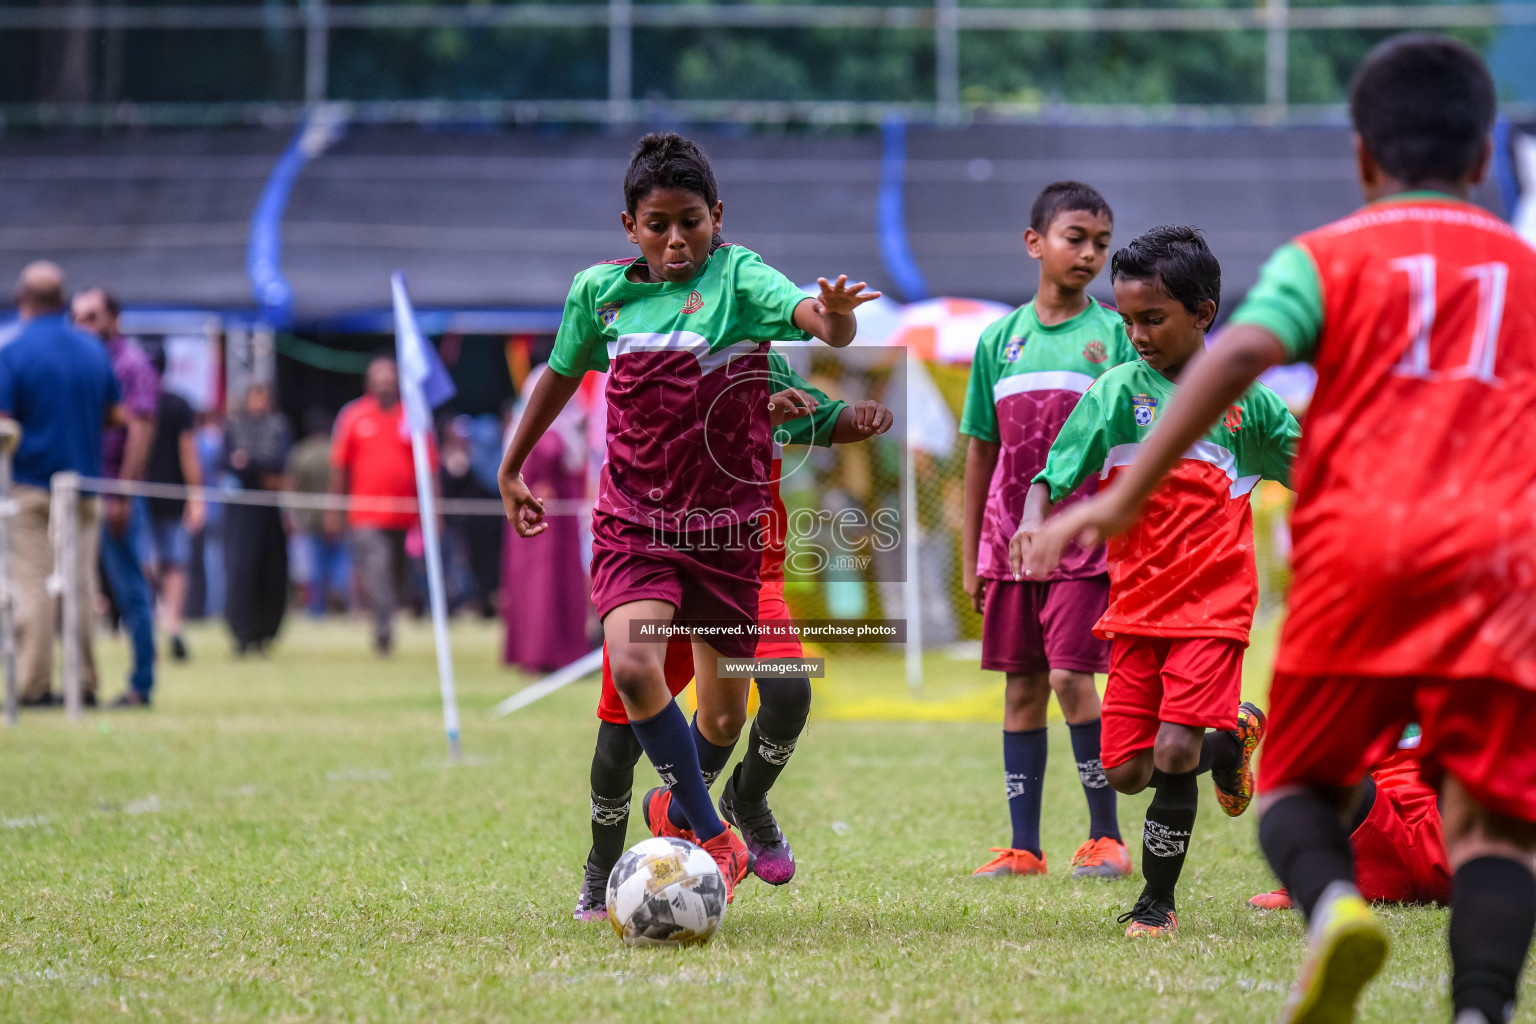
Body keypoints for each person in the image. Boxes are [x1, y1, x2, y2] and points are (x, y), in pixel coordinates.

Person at [1029, 36, 1536, 1024]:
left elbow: (1244, 352)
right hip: (1495, 560)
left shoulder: (1328, 257)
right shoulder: (1521, 264)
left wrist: (1117, 497)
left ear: (1360, 155)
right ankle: (1479, 1009)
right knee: (1493, 825)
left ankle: (1336, 906)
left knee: (1297, 786)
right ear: (1485, 158)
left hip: (1360, 553)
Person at [499, 132, 879, 902]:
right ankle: (705, 838)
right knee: (633, 674)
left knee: (730, 712)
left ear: (718, 217)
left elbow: (817, 320)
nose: (677, 240)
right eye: (659, 224)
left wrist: (837, 321)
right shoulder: (598, 294)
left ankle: (712, 811)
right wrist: (511, 467)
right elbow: (560, 374)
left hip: (729, 538)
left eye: (692, 222)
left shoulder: (742, 278)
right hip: (635, 525)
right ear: (630, 226)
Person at [1015, 226, 1298, 937]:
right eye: (1127, 318)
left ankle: (1156, 903)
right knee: (1128, 770)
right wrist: (1033, 521)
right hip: (1135, 610)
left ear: (1203, 314)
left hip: (1214, 611)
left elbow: (1324, 471)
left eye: (1153, 318)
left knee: (1173, 754)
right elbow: (1053, 472)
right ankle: (1230, 743)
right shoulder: (1114, 394)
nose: (1137, 334)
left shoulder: (1247, 407)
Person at [575, 355, 891, 920]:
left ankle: (741, 800)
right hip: (657, 563)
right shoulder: (654, 360)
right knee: (618, 740)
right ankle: (601, 871)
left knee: (783, 693)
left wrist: (854, 416)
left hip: (743, 572)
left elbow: (824, 420)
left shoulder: (763, 366)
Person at [958, 181, 1139, 882]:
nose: (1090, 253)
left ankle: (1105, 838)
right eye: (1076, 238)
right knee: (1023, 687)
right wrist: (977, 548)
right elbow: (981, 447)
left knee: (1070, 676)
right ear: (1035, 242)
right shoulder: (998, 342)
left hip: (1086, 546)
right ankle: (1025, 848)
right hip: (1010, 548)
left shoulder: (1117, 334)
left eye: (1101, 242)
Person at [0, 262, 121, 707]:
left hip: (30, 486)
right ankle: (83, 683)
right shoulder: (93, 351)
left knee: (32, 586)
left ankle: (32, 685)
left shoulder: (12, 352)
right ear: (64, 300)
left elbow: (3, 424)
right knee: (81, 587)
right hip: (86, 486)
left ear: (22, 301)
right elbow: (116, 415)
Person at [72, 287, 159, 707]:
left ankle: (141, 684)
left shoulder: (130, 363)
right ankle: (79, 683)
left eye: (91, 316)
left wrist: (123, 491)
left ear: (114, 320)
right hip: (82, 488)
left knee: (129, 590)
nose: (83, 325)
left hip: (114, 491)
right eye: (78, 317)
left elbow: (141, 429)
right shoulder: (86, 361)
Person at [1250, 732, 1450, 911]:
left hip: (1433, 828)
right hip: (1385, 822)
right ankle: (1309, 878)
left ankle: (1309, 880)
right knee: (1323, 761)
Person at [328, 357, 429, 656]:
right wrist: (334, 510)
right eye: (380, 379)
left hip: (403, 517)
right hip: (366, 516)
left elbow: (429, 467)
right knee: (378, 574)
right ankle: (384, 633)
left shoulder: (411, 416)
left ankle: (386, 624)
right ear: (369, 383)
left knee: (397, 577)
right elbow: (339, 467)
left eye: (390, 379)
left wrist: (431, 511)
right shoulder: (353, 417)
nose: (386, 384)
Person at [500, 366, 590, 672]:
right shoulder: (544, 432)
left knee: (559, 583)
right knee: (541, 585)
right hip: (540, 519)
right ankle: (539, 653)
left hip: (561, 520)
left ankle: (565, 652)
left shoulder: (569, 427)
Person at [139, 344, 205, 662]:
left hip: (142, 492)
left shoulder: (136, 401)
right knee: (174, 563)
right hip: (171, 494)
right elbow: (187, 452)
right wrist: (195, 493)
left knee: (146, 562)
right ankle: (173, 624)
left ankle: (150, 622)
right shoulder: (178, 403)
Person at [222, 383, 291, 655]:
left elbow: (279, 461)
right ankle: (241, 633)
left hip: (270, 511)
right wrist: (254, 468)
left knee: (270, 571)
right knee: (241, 570)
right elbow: (228, 463)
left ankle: (265, 633)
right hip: (241, 512)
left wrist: (250, 465)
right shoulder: (235, 427)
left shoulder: (278, 426)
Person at [287, 408, 349, 617]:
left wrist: (292, 515)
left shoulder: (300, 452)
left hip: (310, 518)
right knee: (338, 566)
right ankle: (339, 605)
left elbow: (292, 486)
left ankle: (316, 609)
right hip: (338, 517)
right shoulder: (337, 450)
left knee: (313, 568)